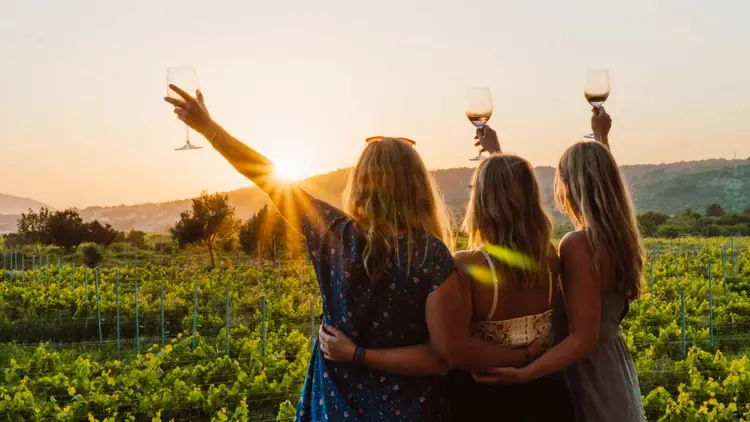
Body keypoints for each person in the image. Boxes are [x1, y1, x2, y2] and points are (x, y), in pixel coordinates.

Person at [163, 87, 545, 422]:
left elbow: (264, 174)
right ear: (417, 186)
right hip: (414, 409)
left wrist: (209, 129)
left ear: (361, 182)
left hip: (334, 407)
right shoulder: (431, 256)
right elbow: (440, 358)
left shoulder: (332, 232)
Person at [319, 137, 575, 421]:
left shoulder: (468, 265)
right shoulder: (550, 260)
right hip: (547, 393)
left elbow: (453, 351)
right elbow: (512, 182)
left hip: (486, 398)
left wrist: (521, 357)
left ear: (482, 202)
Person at [478, 107, 647, 421]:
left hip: (585, 373)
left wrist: (526, 373)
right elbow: (604, 181)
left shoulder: (580, 244)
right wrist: (601, 138)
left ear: (569, 185)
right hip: (612, 367)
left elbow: (584, 338)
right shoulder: (621, 237)